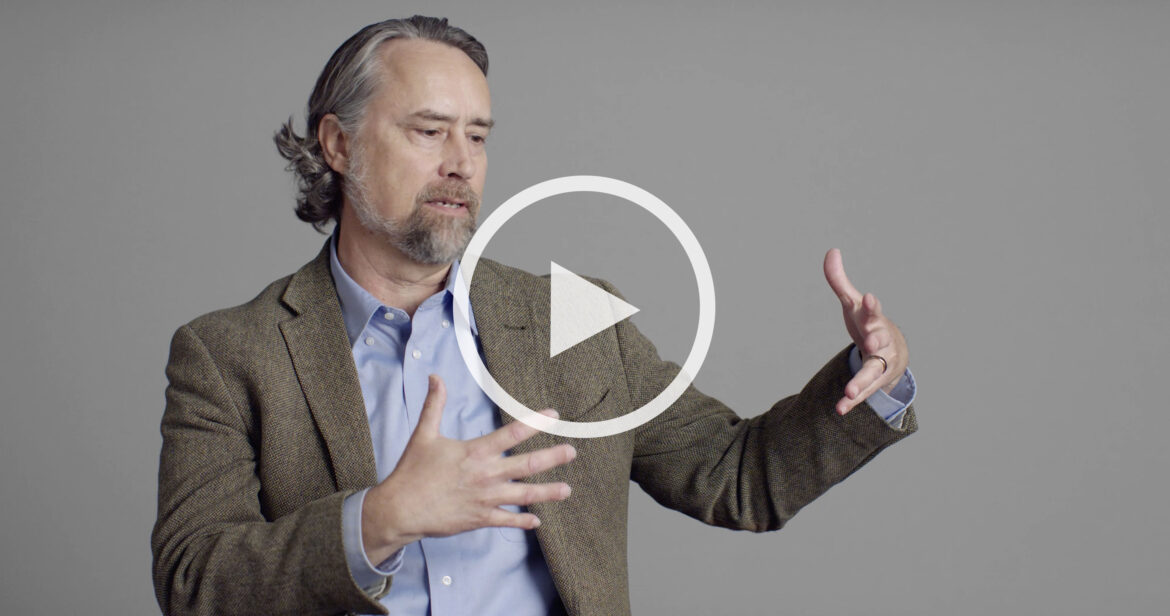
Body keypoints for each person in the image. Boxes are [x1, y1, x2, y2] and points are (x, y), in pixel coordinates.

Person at [151, 15, 917, 616]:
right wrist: (379, 519)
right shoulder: (228, 354)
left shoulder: (572, 320)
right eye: (428, 131)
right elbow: (193, 583)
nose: (461, 163)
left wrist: (868, 379)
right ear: (338, 144)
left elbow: (737, 476)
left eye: (477, 136)